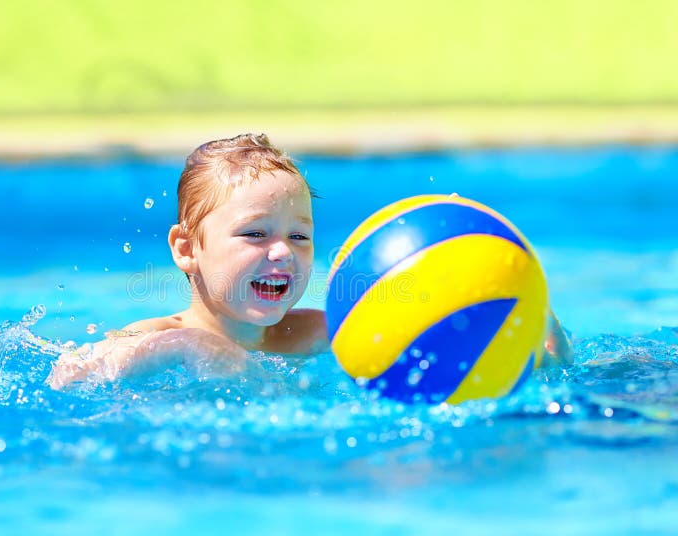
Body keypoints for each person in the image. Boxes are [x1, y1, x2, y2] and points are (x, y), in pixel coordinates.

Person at [47, 133, 572, 389]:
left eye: (299, 236)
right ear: (187, 249)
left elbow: (429, 350)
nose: (282, 252)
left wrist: (529, 331)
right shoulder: (160, 333)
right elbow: (66, 376)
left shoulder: (323, 334)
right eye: (255, 234)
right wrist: (187, 346)